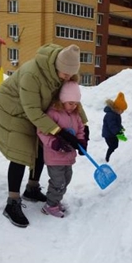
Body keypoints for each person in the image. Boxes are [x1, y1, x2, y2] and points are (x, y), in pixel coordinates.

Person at [0, 44, 90, 228]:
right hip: (11, 109)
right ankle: (12, 202)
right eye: (65, 75)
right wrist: (59, 132)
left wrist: (83, 124)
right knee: (20, 153)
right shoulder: (32, 74)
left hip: (35, 110)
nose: (67, 79)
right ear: (56, 67)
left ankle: (32, 188)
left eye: (70, 76)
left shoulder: (66, 72)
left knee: (41, 147)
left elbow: (72, 98)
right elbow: (33, 111)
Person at [37, 81, 86, 218]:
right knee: (58, 182)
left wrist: (82, 141)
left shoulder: (75, 115)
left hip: (68, 156)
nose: (74, 106)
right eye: (70, 103)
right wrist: (55, 143)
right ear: (63, 100)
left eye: (76, 103)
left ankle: (56, 201)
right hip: (54, 156)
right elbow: (42, 131)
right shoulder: (53, 113)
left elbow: (80, 129)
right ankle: (50, 205)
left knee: (67, 179)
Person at [102, 92, 127, 162]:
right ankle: (108, 158)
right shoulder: (110, 115)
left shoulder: (116, 114)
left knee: (115, 146)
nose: (122, 112)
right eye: (122, 110)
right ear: (117, 108)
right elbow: (112, 126)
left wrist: (121, 128)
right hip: (109, 135)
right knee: (113, 146)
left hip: (113, 134)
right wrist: (118, 133)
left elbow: (117, 124)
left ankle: (113, 158)